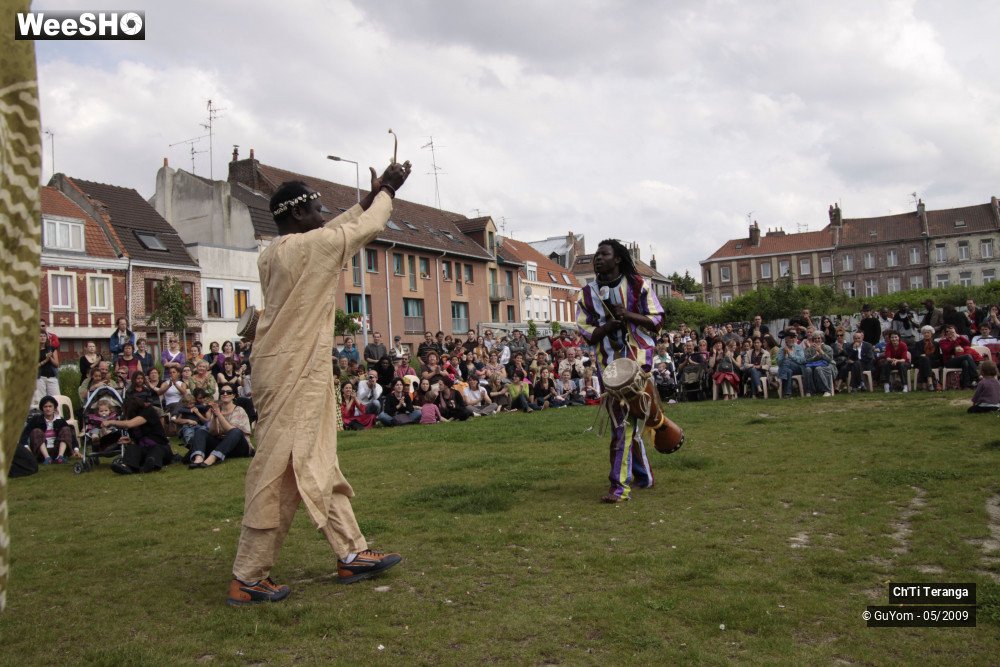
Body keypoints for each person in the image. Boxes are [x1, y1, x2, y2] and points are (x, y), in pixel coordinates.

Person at [227, 161, 410, 607]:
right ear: (296, 213)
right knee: (278, 469)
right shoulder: (312, 248)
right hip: (295, 370)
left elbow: (341, 225)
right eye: (315, 207)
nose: (323, 214)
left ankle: (351, 550)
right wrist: (388, 188)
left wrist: (366, 196)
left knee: (317, 460)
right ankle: (247, 577)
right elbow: (365, 227)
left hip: (286, 367)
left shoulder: (274, 251)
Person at [576, 239, 664, 503]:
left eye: (604, 254)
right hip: (609, 367)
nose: (598, 259)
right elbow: (586, 333)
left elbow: (657, 320)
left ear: (617, 259)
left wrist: (627, 315)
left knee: (623, 426)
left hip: (637, 362)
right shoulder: (587, 293)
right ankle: (644, 476)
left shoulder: (638, 285)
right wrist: (607, 328)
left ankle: (619, 488)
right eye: (596, 255)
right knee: (627, 425)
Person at [104, 394, 173, 475]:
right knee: (133, 448)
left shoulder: (148, 411)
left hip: (160, 446)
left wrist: (111, 422)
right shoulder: (131, 419)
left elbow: (130, 424)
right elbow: (136, 438)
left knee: (157, 450)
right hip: (144, 448)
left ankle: (151, 464)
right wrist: (130, 441)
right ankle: (128, 467)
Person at [188, 385, 253, 467]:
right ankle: (198, 458)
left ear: (233, 396)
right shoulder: (217, 409)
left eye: (228, 392)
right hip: (222, 444)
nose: (225, 394)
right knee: (201, 431)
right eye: (222, 392)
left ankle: (212, 458)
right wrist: (215, 417)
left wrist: (219, 414)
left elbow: (231, 431)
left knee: (236, 431)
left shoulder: (239, 410)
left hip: (239, 446)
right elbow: (213, 432)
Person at [19, 395, 78, 464]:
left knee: (66, 429)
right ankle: (47, 458)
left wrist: (76, 449)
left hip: (57, 448)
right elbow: (24, 435)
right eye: (45, 407)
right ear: (42, 408)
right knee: (37, 431)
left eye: (50, 406)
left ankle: (60, 457)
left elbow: (71, 435)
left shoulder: (60, 420)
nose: (48, 409)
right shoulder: (36, 419)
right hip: (41, 451)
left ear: (54, 408)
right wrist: (26, 448)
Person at [939, 325, 979, 389]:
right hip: (949, 361)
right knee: (967, 356)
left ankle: (966, 385)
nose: (949, 333)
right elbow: (946, 350)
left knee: (965, 362)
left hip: (960, 360)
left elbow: (968, 343)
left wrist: (959, 336)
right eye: (947, 331)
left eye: (952, 332)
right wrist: (953, 341)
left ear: (955, 332)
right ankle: (976, 376)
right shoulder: (942, 341)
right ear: (945, 333)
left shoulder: (959, 339)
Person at [802, 332, 835, 397]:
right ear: (813, 340)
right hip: (812, 366)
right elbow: (806, 361)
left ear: (822, 339)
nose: (817, 340)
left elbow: (829, 360)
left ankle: (827, 390)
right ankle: (810, 391)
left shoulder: (827, 348)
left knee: (818, 368)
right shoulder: (810, 349)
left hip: (827, 366)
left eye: (818, 338)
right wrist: (815, 357)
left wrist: (821, 352)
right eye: (815, 338)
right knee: (808, 369)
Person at [34, 330, 60, 408]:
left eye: (44, 336)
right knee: (41, 399)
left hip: (51, 377)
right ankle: (42, 418)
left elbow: (56, 364)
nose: (42, 338)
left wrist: (50, 358)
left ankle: (57, 417)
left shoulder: (51, 348)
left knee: (56, 398)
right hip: (40, 377)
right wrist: (45, 360)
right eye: (40, 336)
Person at [912, 325, 942, 391]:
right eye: (924, 333)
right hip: (920, 361)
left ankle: (924, 384)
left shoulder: (936, 344)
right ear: (922, 334)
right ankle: (930, 381)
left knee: (925, 359)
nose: (926, 334)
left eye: (928, 332)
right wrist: (922, 356)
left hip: (932, 362)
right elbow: (916, 355)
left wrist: (926, 356)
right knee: (924, 360)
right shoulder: (918, 343)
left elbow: (937, 356)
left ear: (931, 333)